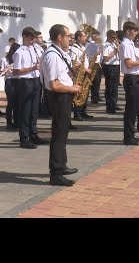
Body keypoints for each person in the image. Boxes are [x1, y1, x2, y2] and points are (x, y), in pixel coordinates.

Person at [40, 24, 81, 186]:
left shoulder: (59, 54)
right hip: (58, 97)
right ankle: (56, 174)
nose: (70, 39)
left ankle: (62, 165)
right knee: (58, 134)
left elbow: (61, 76)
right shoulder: (53, 56)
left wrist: (73, 72)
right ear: (59, 37)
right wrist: (72, 88)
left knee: (63, 132)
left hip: (63, 96)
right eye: (68, 36)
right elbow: (55, 85)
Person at [12, 27, 48, 149]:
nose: (33, 40)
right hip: (25, 82)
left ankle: (33, 134)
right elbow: (16, 71)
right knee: (25, 111)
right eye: (31, 37)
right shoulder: (19, 52)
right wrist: (32, 68)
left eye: (34, 38)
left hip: (36, 81)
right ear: (25, 37)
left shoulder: (36, 49)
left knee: (34, 110)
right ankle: (24, 138)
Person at [119, 21, 139, 145]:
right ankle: (128, 137)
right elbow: (128, 64)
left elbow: (135, 60)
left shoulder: (131, 44)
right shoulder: (126, 45)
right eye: (134, 31)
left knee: (135, 108)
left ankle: (132, 134)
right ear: (128, 31)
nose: (136, 33)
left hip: (136, 78)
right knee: (131, 109)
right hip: (131, 78)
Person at [0, 42, 20, 130]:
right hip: (10, 81)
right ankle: (9, 123)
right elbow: (0, 73)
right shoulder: (5, 60)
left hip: (19, 81)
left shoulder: (19, 59)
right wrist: (6, 69)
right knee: (11, 103)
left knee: (18, 103)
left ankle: (17, 122)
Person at [102, 30, 121, 114]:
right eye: (113, 37)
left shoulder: (114, 44)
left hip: (116, 65)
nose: (115, 39)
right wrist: (114, 52)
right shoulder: (105, 45)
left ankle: (114, 104)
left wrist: (119, 48)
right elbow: (105, 58)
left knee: (115, 87)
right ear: (108, 36)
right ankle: (109, 106)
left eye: (115, 37)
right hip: (109, 66)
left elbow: (121, 55)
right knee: (110, 87)